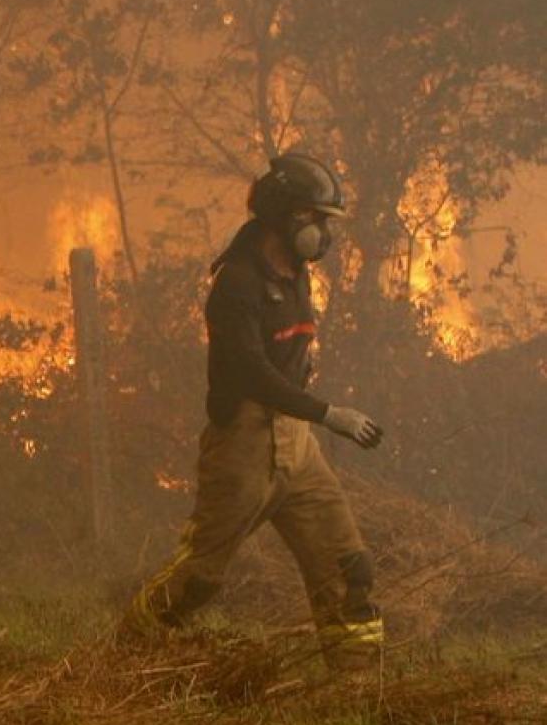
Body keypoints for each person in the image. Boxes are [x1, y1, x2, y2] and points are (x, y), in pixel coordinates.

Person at [127, 154, 386, 667]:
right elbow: (251, 373)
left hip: (297, 448)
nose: (324, 236)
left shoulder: (296, 275)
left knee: (348, 566)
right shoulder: (237, 284)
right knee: (200, 578)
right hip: (243, 446)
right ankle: (128, 649)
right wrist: (329, 413)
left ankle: (358, 687)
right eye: (318, 221)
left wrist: (307, 418)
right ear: (288, 218)